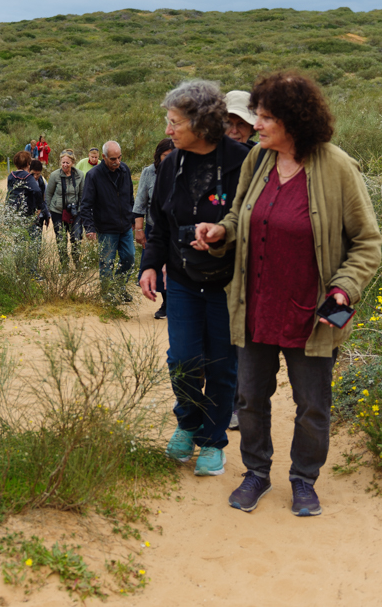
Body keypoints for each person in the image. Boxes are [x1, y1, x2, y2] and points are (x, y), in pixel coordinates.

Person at [194, 71, 382, 517]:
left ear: (294, 121)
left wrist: (344, 289)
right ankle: (256, 473)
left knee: (312, 405)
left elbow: (368, 242)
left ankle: (303, 480)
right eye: (257, 115)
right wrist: (221, 230)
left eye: (266, 117)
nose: (256, 125)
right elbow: (240, 217)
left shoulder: (338, 167)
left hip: (311, 313)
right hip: (257, 306)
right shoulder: (257, 161)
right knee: (250, 399)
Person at [138, 81, 248, 478]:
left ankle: (214, 441)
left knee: (221, 366)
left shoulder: (243, 162)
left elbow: (253, 225)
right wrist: (150, 264)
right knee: (182, 360)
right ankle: (188, 423)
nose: (168, 130)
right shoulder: (170, 165)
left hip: (228, 284)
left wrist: (221, 235)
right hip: (183, 280)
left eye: (174, 122)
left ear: (201, 124)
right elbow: (159, 225)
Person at [79, 140, 134, 301]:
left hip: (125, 226)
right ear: (103, 157)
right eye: (112, 159)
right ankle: (107, 294)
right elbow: (86, 204)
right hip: (106, 227)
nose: (117, 162)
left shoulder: (125, 170)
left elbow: (130, 196)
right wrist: (89, 227)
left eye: (119, 157)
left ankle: (119, 287)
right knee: (107, 263)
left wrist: (131, 217)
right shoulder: (93, 175)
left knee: (129, 258)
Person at [132, 137, 174, 319]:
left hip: (178, 227)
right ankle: (166, 303)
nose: (170, 159)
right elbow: (140, 202)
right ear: (158, 156)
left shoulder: (184, 170)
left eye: (173, 155)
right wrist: (139, 230)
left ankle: (175, 303)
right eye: (166, 155)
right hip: (155, 227)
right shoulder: (149, 172)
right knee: (156, 266)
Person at [45, 150, 84, 269]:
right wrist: (49, 211)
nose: (65, 165)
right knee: (61, 239)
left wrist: (81, 209)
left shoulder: (80, 175)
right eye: (63, 162)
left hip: (75, 212)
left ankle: (77, 261)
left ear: (72, 162)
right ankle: (64, 264)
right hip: (58, 211)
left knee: (76, 237)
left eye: (67, 162)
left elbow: (83, 194)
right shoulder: (54, 175)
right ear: (60, 162)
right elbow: (48, 194)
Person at [5, 150, 44, 223]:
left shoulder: (11, 175)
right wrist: (39, 207)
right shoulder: (28, 177)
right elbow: (37, 190)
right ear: (27, 163)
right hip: (25, 211)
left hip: (12, 209)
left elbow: (9, 190)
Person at [29, 158, 50, 238]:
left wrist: (47, 214)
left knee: (37, 240)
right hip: (28, 215)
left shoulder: (43, 182)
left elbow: (46, 198)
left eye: (38, 174)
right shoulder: (25, 181)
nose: (35, 176)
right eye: (33, 174)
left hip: (39, 216)